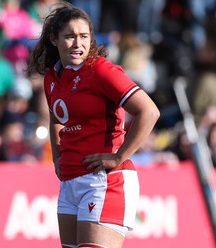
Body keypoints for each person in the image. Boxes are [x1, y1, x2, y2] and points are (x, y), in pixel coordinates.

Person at [26, 2, 160, 248]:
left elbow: (149, 111)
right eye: (70, 36)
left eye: (84, 36)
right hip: (70, 183)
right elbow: (57, 118)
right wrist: (58, 158)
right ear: (54, 39)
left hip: (104, 181)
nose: (78, 44)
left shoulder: (100, 71)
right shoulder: (53, 79)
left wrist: (119, 157)